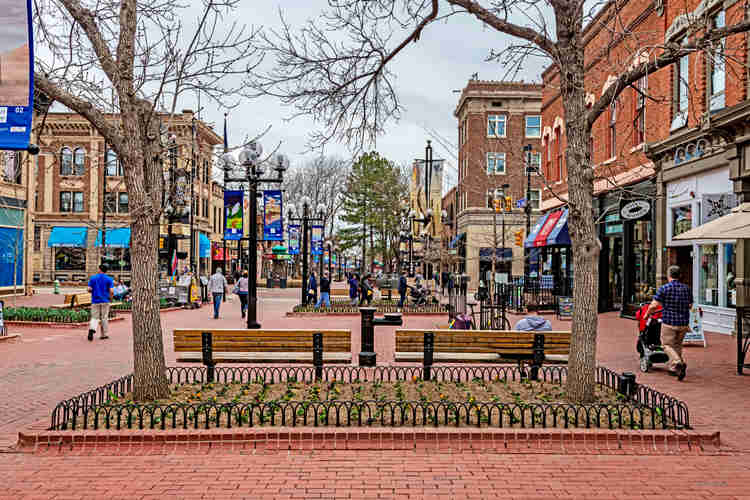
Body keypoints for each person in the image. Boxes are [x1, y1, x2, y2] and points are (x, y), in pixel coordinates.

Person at [645, 265, 691, 380]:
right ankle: (674, 368)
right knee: (678, 345)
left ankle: (677, 361)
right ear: (679, 276)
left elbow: (654, 305)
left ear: (668, 275)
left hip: (669, 322)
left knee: (666, 345)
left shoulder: (664, 288)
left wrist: (647, 314)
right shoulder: (686, 288)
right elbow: (690, 305)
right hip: (684, 322)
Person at [87, 263, 114, 341]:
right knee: (104, 318)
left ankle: (92, 329)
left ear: (99, 269)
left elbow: (89, 289)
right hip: (105, 300)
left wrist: (93, 291)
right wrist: (111, 298)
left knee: (94, 317)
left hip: (95, 300)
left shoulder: (93, 278)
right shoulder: (109, 279)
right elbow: (111, 291)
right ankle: (104, 334)